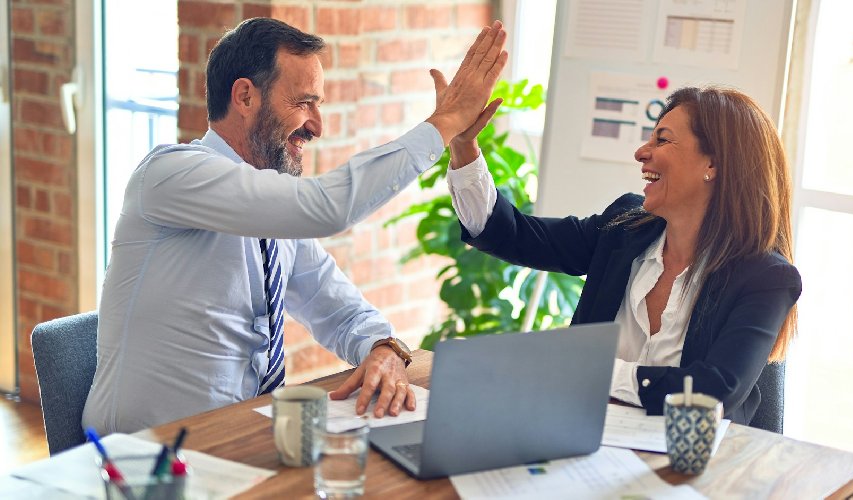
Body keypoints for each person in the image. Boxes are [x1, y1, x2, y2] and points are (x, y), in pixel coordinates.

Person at [82, 17, 508, 434]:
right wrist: (446, 123)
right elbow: (327, 207)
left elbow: (338, 308)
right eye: (304, 102)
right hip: (143, 460)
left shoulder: (273, 215)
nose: (317, 126)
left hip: (238, 442)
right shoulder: (171, 174)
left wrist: (383, 347)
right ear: (245, 97)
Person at [446, 86, 801, 425]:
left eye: (662, 139)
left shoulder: (765, 278)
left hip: (693, 469)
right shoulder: (624, 228)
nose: (641, 152)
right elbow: (513, 235)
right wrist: (464, 146)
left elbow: (712, 393)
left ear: (714, 164)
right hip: (584, 439)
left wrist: (592, 369)